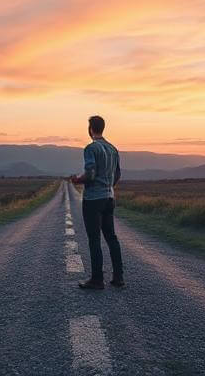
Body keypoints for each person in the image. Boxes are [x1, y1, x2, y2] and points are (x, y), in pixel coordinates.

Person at [69, 115, 124, 289]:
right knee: (111, 237)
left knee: (94, 239)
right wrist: (108, 186)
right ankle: (118, 278)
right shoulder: (113, 148)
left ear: (91, 129)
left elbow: (91, 174)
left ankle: (97, 280)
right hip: (109, 197)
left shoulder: (91, 148)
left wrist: (77, 180)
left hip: (93, 199)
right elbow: (117, 174)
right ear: (103, 128)